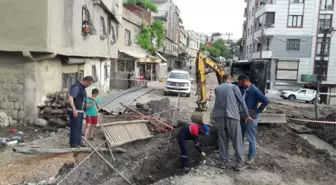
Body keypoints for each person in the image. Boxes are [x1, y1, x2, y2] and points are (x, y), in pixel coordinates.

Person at [212, 74, 254, 171]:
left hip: (219, 116)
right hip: (232, 116)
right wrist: (247, 114)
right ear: (230, 79)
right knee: (237, 140)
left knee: (222, 140)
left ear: (222, 79)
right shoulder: (234, 87)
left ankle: (223, 163)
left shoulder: (217, 88)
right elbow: (242, 102)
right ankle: (239, 163)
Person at [237, 74, 269, 165]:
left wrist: (257, 111)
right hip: (243, 116)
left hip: (251, 117)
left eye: (240, 83)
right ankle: (240, 155)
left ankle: (251, 156)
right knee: (241, 136)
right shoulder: (244, 89)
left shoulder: (254, 90)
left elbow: (266, 101)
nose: (239, 84)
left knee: (251, 137)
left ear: (245, 81)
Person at [68, 76, 94, 148]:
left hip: (80, 111)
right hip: (75, 111)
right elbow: (70, 98)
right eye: (89, 84)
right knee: (75, 127)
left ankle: (79, 142)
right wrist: (74, 109)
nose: (89, 86)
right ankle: (73, 144)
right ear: (85, 81)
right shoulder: (76, 87)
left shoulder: (82, 88)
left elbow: (82, 96)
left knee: (79, 127)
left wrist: (91, 97)